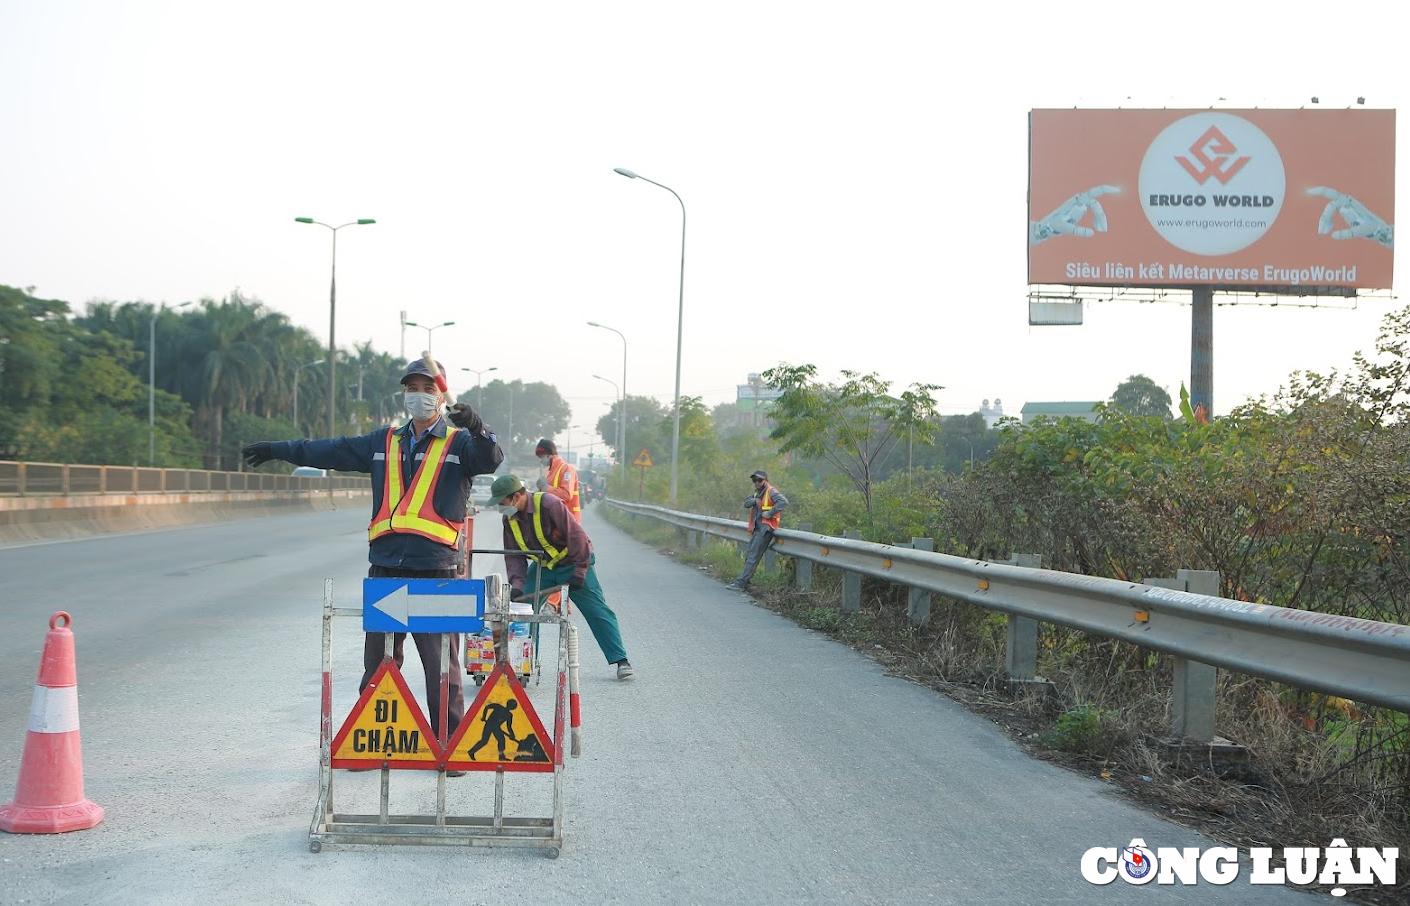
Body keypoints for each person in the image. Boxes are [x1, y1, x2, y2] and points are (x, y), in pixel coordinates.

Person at [241, 354, 502, 745]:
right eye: (411, 389)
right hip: (387, 569)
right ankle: (373, 742)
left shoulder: (460, 443)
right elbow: (328, 450)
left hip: (437, 571)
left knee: (440, 668)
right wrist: (280, 449)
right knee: (380, 664)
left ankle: (447, 744)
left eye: (427, 389)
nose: (418, 396)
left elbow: (490, 459)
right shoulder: (382, 441)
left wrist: (477, 425)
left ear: (441, 395)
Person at [491, 473, 634, 679]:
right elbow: (514, 557)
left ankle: (621, 660)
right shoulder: (509, 520)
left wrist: (579, 571)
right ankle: (525, 664)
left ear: (516, 496)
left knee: (596, 610)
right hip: (544, 567)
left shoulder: (548, 504)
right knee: (525, 612)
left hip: (573, 562)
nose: (500, 508)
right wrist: (518, 585)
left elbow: (577, 537)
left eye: (502, 502)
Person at [728, 470, 789, 590]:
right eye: (754, 480)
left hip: (766, 528)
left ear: (765, 480)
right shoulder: (757, 493)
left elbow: (784, 502)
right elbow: (746, 503)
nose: (756, 482)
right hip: (757, 527)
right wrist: (755, 501)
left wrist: (770, 513)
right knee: (751, 555)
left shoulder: (771, 491)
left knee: (752, 556)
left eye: (759, 480)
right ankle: (746, 581)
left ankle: (741, 583)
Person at [534, 438, 582, 522]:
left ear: (548, 455)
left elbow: (566, 494)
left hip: (569, 521)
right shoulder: (550, 473)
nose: (540, 461)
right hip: (556, 520)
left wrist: (545, 488)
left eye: (541, 457)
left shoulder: (567, 469)